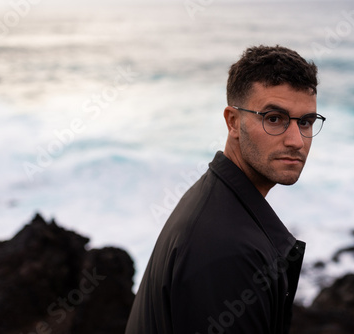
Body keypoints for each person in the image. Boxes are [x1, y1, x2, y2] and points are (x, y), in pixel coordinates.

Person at [125, 45, 325, 334]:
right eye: (274, 119)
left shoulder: (217, 201)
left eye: (305, 122)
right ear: (233, 121)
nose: (296, 140)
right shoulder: (229, 251)